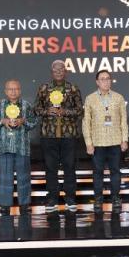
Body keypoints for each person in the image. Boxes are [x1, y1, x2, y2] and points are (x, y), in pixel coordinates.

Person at [34, 60, 84, 213]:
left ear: (65, 71)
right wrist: (47, 111)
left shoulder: (73, 88)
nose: (58, 72)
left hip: (69, 135)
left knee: (70, 167)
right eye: (55, 70)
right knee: (50, 168)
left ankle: (70, 198)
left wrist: (65, 112)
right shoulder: (43, 88)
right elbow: (36, 109)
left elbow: (80, 110)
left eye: (61, 70)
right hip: (48, 135)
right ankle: (52, 199)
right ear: (52, 72)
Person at [0, 79, 38, 216]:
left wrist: (24, 121)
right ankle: (5, 205)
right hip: (4, 147)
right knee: (5, 178)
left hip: (22, 147)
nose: (13, 91)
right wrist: (2, 121)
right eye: (10, 89)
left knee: (24, 177)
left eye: (16, 89)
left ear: (20, 90)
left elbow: (34, 122)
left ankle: (24, 204)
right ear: (6, 91)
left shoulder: (26, 105)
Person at [83, 70, 128, 213]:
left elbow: (123, 120)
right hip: (97, 142)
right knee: (97, 172)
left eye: (108, 78)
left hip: (115, 141)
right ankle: (98, 199)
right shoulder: (90, 99)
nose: (106, 81)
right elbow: (86, 122)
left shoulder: (119, 97)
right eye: (102, 79)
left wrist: (124, 139)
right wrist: (88, 142)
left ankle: (116, 198)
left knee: (115, 171)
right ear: (97, 82)